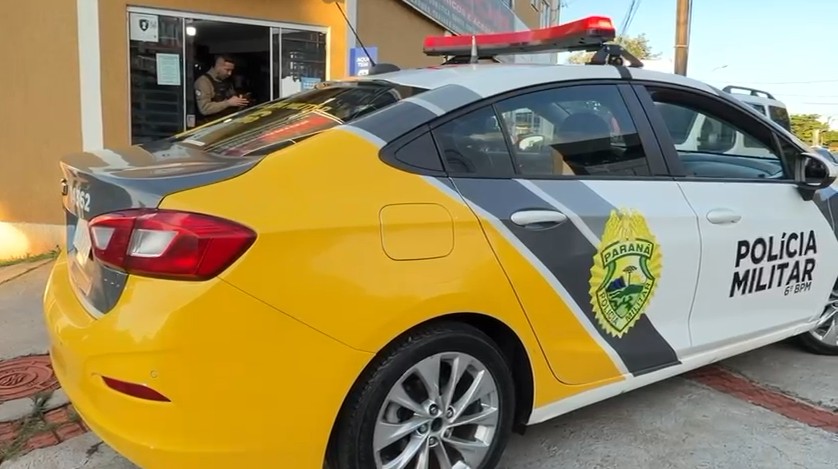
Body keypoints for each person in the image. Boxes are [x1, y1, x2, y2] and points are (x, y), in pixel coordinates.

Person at [193, 55, 249, 126]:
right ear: (218, 67)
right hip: (209, 126)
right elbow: (204, 109)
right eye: (227, 70)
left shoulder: (227, 81)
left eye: (231, 70)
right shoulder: (203, 82)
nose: (229, 73)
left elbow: (231, 98)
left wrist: (239, 101)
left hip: (226, 123)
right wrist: (228, 103)